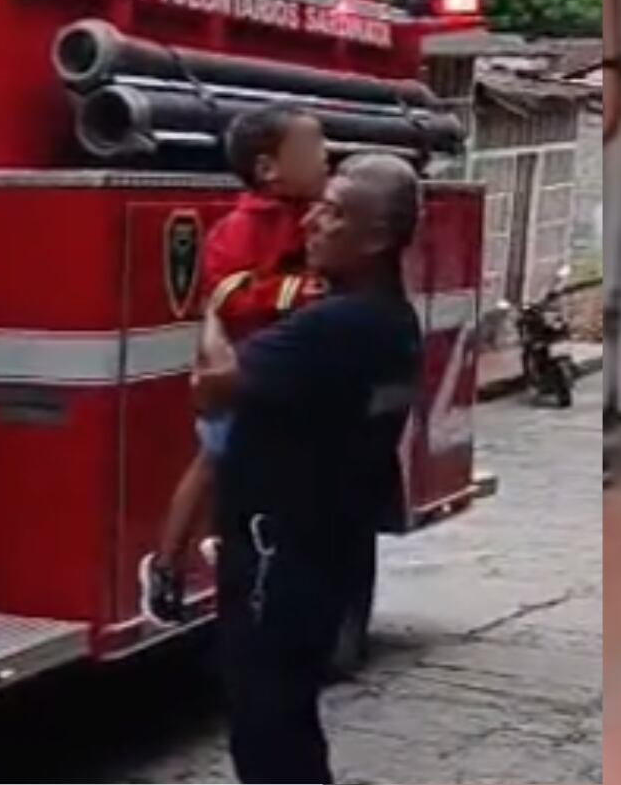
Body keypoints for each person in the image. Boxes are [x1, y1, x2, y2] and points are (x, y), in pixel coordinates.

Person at [195, 153, 423, 784]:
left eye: (334, 212)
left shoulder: (336, 326)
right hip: (326, 553)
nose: (312, 223)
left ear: (376, 238)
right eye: (318, 205)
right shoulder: (392, 323)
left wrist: (214, 306)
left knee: (266, 728)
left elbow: (212, 387)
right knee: (288, 720)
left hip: (281, 559)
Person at [140, 105, 330, 625]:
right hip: (245, 372)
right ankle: (167, 564)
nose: (324, 158)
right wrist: (305, 291)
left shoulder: (311, 215)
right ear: (269, 169)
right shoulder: (241, 229)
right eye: (311, 150)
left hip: (282, 378)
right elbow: (229, 294)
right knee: (214, 462)